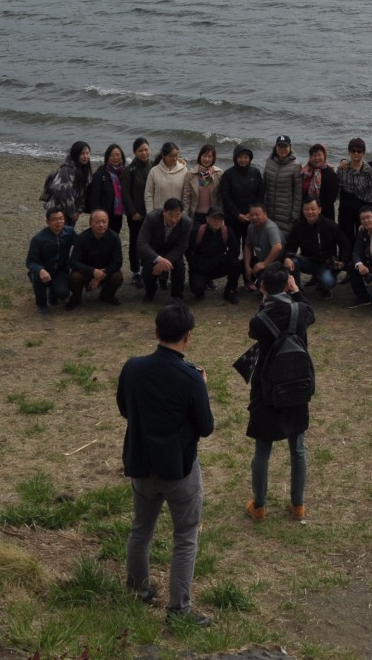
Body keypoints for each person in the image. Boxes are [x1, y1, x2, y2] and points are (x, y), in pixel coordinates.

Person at [115, 303, 214, 625]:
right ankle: (179, 610)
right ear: (189, 337)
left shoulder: (132, 367)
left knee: (141, 529)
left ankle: (139, 588)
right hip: (178, 469)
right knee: (185, 536)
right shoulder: (190, 378)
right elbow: (206, 426)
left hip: (141, 463)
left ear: (156, 332)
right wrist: (203, 388)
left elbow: (124, 409)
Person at [244, 267, 315, 523]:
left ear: (262, 288)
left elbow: (256, 333)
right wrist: (297, 293)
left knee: (263, 449)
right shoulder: (301, 310)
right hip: (297, 382)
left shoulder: (259, 320)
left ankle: (260, 506)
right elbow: (310, 314)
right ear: (288, 284)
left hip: (268, 388)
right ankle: (298, 505)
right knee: (297, 447)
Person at [283, 196, 345, 298]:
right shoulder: (299, 226)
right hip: (308, 261)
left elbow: (344, 243)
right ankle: (297, 291)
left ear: (319, 210)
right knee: (292, 262)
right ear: (302, 211)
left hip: (326, 264)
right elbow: (291, 245)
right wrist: (287, 257)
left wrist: (343, 260)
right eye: (306, 209)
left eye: (313, 209)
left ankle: (324, 286)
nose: (310, 212)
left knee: (328, 281)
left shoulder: (330, 225)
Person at [137, 199, 194, 301]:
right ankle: (150, 291)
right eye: (170, 215)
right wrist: (159, 259)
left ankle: (177, 295)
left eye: (177, 215)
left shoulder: (187, 222)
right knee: (147, 270)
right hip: (154, 250)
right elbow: (142, 243)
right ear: (164, 212)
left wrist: (165, 261)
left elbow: (182, 246)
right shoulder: (152, 218)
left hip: (173, 251)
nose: (173, 219)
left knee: (179, 267)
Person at [25, 206, 76, 315]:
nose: (59, 222)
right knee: (38, 277)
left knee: (63, 293)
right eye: (54, 219)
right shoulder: (38, 239)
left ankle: (54, 292)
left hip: (60, 271)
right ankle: (41, 304)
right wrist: (40, 269)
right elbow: (30, 261)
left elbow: (82, 244)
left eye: (61, 218)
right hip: (43, 271)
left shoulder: (69, 232)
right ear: (47, 222)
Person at [73, 208, 125, 304]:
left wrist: (100, 274)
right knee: (74, 276)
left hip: (105, 272)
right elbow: (74, 262)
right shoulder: (82, 238)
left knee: (118, 276)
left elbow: (118, 262)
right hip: (87, 271)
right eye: (97, 222)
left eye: (104, 221)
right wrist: (93, 272)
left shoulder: (114, 237)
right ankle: (76, 299)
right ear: (90, 223)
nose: (101, 225)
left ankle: (107, 296)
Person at [187, 209, 240, 302]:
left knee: (236, 263)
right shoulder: (198, 231)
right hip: (201, 267)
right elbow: (188, 251)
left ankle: (229, 292)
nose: (217, 221)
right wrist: (194, 265)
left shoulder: (227, 231)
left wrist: (219, 259)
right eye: (214, 218)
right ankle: (200, 289)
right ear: (207, 219)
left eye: (220, 219)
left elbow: (235, 251)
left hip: (218, 265)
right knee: (197, 289)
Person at [219, 144, 264, 247]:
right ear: (235, 158)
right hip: (233, 216)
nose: (243, 160)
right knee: (233, 245)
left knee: (249, 244)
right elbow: (225, 197)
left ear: (250, 159)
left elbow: (261, 194)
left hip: (251, 217)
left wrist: (252, 213)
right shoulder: (228, 174)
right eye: (240, 157)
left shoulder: (255, 173)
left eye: (246, 157)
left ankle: (246, 263)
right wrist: (237, 214)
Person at [86, 145, 129, 254]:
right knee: (101, 238)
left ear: (122, 157)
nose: (115, 158)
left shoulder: (124, 173)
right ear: (107, 157)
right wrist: (95, 215)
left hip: (117, 213)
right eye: (112, 155)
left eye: (118, 155)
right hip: (103, 214)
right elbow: (94, 196)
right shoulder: (100, 174)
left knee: (114, 237)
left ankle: (111, 261)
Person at [124, 138, 155, 281]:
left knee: (150, 241)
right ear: (135, 152)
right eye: (140, 150)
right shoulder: (130, 169)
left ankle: (147, 267)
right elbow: (125, 193)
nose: (144, 153)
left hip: (151, 212)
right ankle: (135, 271)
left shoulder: (154, 166)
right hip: (135, 214)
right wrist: (133, 212)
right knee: (135, 241)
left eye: (146, 150)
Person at [42, 140, 92, 226]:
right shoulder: (67, 169)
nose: (85, 156)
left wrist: (79, 210)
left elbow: (83, 192)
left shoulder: (83, 168)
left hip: (72, 211)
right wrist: (72, 213)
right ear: (76, 154)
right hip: (58, 210)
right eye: (82, 154)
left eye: (87, 153)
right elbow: (64, 193)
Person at [242, 201, 284, 294]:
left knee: (265, 280)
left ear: (265, 214)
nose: (254, 217)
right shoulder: (250, 227)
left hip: (276, 263)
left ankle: (268, 287)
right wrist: (247, 266)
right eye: (251, 215)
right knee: (241, 264)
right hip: (261, 260)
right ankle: (250, 284)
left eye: (257, 215)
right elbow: (248, 245)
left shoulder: (270, 227)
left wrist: (264, 263)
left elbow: (278, 247)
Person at [261, 136, 300, 224]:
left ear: (290, 147)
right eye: (280, 147)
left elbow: (298, 194)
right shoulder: (269, 163)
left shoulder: (296, 166)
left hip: (286, 214)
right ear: (275, 148)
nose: (282, 149)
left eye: (285, 147)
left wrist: (295, 214)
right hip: (269, 211)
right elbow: (264, 188)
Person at [147, 141, 191, 217]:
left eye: (176, 155)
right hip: (159, 213)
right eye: (171, 156)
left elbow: (186, 195)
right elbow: (148, 194)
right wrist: (150, 213)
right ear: (164, 155)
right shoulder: (154, 171)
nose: (174, 158)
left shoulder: (184, 171)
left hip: (177, 214)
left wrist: (184, 213)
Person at [299, 143, 341, 219]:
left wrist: (317, 209)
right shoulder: (305, 172)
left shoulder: (330, 173)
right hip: (308, 212)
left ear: (324, 156)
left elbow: (332, 198)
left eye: (319, 155)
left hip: (325, 213)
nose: (317, 158)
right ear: (310, 157)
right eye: (314, 155)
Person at [182, 144, 222, 222]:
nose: (206, 159)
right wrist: (184, 216)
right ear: (200, 156)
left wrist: (221, 214)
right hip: (195, 215)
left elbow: (221, 197)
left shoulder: (219, 174)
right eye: (204, 156)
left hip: (213, 215)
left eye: (209, 156)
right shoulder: (190, 174)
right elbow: (186, 197)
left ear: (213, 158)